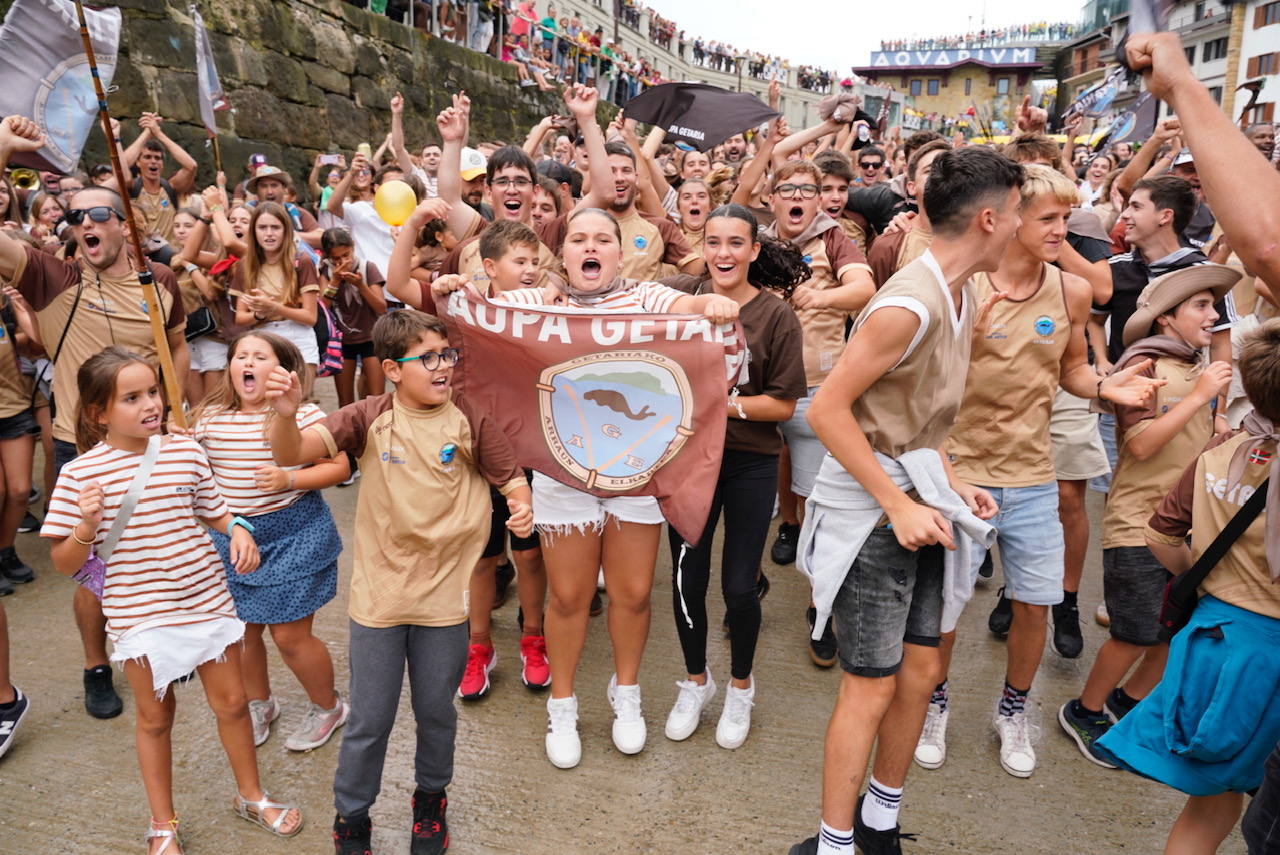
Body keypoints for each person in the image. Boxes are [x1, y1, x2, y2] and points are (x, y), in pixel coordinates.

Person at [432, 207, 740, 770]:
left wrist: (710, 305)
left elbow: (689, 308)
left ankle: (627, 698)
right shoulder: (540, 302)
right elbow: (472, 313)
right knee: (570, 597)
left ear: (619, 254)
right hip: (562, 474)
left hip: (638, 473)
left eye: (603, 239)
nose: (590, 247)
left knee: (633, 594)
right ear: (563, 254)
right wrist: (453, 287)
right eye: (578, 239)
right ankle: (564, 704)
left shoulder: (647, 297)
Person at [788, 147, 1024, 855]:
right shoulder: (906, 304)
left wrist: (950, 481)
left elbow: (916, 416)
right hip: (874, 515)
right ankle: (834, 845)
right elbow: (829, 410)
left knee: (921, 671)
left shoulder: (964, 291)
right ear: (988, 218)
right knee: (869, 686)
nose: (1017, 228)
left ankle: (879, 825)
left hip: (920, 499)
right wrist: (897, 501)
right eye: (1015, 215)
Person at [914, 165, 1161, 778]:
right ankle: (934, 703)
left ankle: (1012, 710)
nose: (1064, 230)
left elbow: (1071, 372)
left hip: (1032, 477)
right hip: (960, 475)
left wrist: (1110, 388)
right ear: (1009, 217)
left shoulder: (1071, 291)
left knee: (1034, 603)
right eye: (1050, 219)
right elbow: (918, 377)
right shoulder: (961, 287)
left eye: (1068, 218)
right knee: (946, 608)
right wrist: (965, 331)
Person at [264, 309, 532, 855]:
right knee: (370, 718)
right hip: (380, 599)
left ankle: (430, 803)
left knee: (436, 711)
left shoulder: (468, 418)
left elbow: (511, 477)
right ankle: (352, 818)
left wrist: (522, 508)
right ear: (391, 368)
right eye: (426, 358)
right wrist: (287, 414)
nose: (442, 367)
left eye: (447, 355)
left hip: (445, 599)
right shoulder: (368, 417)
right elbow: (289, 454)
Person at [42, 346, 302, 853]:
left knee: (232, 704)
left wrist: (239, 532)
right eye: (131, 397)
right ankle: (163, 822)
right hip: (140, 612)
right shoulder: (79, 476)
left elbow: (216, 510)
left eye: (153, 392)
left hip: (206, 598)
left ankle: (252, 796)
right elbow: (64, 563)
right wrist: (85, 526)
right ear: (98, 413)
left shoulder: (184, 450)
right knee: (156, 718)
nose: (150, 405)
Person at [1120, 31, 1280, 850]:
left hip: (1231, 630)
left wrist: (1182, 86)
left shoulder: (1232, 445)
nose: (1214, 314)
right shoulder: (1219, 432)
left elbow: (1264, 246)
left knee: (1219, 800)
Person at [0, 115, 190, 721]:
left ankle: (156, 647)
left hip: (157, 445)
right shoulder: (52, 276)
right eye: (72, 217)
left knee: (160, 553)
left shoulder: (157, 280)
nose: (82, 223)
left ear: (125, 224)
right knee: (92, 572)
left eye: (96, 214)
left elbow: (179, 341)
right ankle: (94, 665)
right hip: (84, 453)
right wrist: (2, 153)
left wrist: (178, 407)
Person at [1091, 317, 1280, 853]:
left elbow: (1159, 535)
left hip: (1213, 635)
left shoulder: (1221, 452)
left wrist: (1207, 576)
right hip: (1266, 653)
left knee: (1213, 795)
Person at [1059, 265, 1236, 766]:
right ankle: (1084, 710)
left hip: (1183, 529)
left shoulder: (1194, 366)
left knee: (1173, 630)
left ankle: (1126, 703)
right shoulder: (1144, 365)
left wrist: (1216, 425)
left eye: (1212, 305)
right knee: (1133, 632)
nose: (1213, 314)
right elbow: (1140, 446)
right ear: (1165, 320)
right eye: (1200, 306)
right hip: (1138, 525)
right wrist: (1201, 397)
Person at [660, 204, 807, 749]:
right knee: (686, 579)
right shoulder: (678, 296)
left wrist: (721, 406)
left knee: (740, 586)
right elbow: (618, 296)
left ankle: (741, 687)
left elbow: (784, 405)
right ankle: (696, 681)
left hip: (749, 461)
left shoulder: (775, 315)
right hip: (686, 462)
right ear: (702, 245)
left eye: (735, 243)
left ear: (753, 251)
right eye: (713, 242)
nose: (724, 253)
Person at [191, 332, 349, 752]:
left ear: (284, 371)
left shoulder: (305, 415)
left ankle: (328, 706)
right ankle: (259, 703)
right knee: (243, 633)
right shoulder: (208, 416)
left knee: (290, 637)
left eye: (260, 356)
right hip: (234, 540)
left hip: (294, 534)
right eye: (240, 355)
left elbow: (340, 467)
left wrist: (290, 477)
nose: (247, 361)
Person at [758, 159, 875, 666]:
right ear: (773, 198)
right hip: (754, 389)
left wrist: (821, 296)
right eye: (789, 189)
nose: (799, 197)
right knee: (749, 492)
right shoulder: (750, 239)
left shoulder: (835, 239)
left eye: (809, 189)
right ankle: (748, 586)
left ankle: (819, 607)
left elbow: (865, 290)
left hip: (815, 390)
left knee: (819, 503)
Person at [230, 202, 322, 386]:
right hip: (262, 336)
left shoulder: (301, 261)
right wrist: (258, 314)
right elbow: (240, 317)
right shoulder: (246, 265)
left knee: (298, 403)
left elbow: (310, 317)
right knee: (266, 406)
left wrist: (272, 307)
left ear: (286, 231)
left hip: (298, 335)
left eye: (275, 227)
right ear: (253, 231)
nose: (269, 233)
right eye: (262, 227)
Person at [320, 228, 387, 410]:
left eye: (346, 255)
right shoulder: (326, 271)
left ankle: (373, 434)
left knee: (376, 399)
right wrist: (334, 281)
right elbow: (322, 308)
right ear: (328, 257)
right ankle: (350, 437)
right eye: (337, 259)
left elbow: (381, 307)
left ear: (353, 248)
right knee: (345, 403)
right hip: (342, 342)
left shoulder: (367, 268)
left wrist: (360, 285)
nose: (343, 262)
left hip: (371, 338)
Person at [121, 112, 197, 250]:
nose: (153, 162)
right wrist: (146, 134)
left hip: (170, 256)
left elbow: (191, 166)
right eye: (147, 157)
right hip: (140, 256)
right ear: (138, 162)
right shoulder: (131, 187)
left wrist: (159, 133)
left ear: (162, 164)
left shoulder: (171, 187)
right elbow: (120, 166)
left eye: (157, 158)